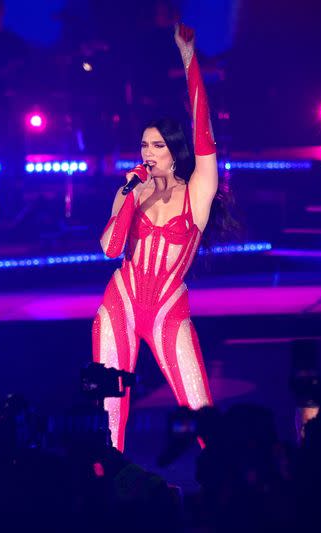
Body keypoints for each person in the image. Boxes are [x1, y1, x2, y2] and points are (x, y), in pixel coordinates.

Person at [92, 24, 217, 451]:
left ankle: (226, 481)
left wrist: (188, 59)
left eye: (158, 145)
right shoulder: (130, 190)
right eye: (144, 144)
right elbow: (110, 248)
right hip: (120, 301)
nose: (148, 153)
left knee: (198, 404)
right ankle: (104, 491)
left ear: (174, 150)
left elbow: (204, 131)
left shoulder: (197, 190)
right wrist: (130, 194)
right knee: (108, 408)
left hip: (167, 305)